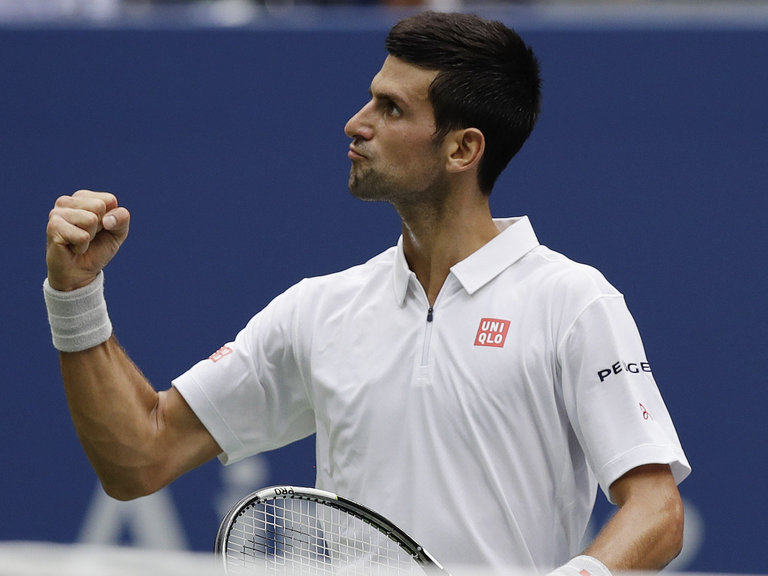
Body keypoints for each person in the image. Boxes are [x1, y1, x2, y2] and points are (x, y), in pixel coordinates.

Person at [44, 11, 690, 575]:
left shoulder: (572, 303)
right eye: (370, 99)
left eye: (392, 109)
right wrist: (76, 294)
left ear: (463, 148)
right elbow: (139, 456)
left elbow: (657, 512)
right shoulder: (319, 310)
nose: (356, 123)